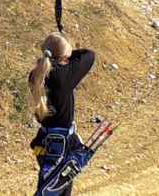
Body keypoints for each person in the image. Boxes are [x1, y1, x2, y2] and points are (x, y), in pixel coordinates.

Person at [28, 32, 95, 196]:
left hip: (44, 143)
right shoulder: (63, 76)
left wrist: (64, 53)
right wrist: (70, 53)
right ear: (64, 57)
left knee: (47, 187)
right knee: (56, 190)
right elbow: (89, 55)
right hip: (62, 145)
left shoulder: (35, 74)